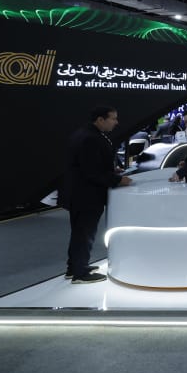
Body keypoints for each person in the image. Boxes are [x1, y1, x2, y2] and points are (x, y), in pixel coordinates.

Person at [60, 106, 133, 284]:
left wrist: (111, 170)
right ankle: (80, 274)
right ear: (100, 119)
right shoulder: (90, 138)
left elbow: (89, 165)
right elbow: (91, 171)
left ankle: (74, 267)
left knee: (79, 232)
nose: (116, 122)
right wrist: (117, 180)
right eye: (113, 118)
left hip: (79, 193)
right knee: (85, 233)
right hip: (87, 195)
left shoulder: (85, 134)